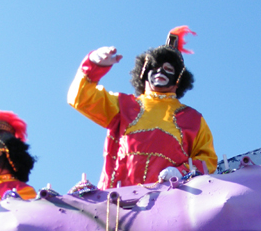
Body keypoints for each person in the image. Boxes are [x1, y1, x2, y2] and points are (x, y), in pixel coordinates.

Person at [68, 26, 217, 189]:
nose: (160, 71)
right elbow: (80, 98)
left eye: (168, 69)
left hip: (169, 199)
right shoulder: (124, 105)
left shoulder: (193, 119)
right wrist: (93, 64)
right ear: (145, 72)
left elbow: (207, 160)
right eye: (155, 67)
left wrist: (181, 172)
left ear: (178, 79)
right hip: (117, 201)